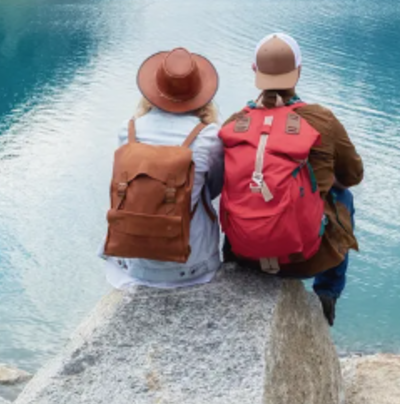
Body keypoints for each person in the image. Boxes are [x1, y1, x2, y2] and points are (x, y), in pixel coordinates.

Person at [222, 33, 363, 326]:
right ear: (298, 71)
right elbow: (353, 176)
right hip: (305, 259)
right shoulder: (321, 119)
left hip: (244, 256)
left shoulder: (234, 124)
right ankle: (327, 292)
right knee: (344, 198)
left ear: (254, 71)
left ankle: (233, 266)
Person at [102, 47, 225, 289]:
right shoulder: (209, 136)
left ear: (154, 91)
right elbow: (214, 188)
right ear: (200, 93)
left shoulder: (129, 131)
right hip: (193, 266)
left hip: (134, 264)